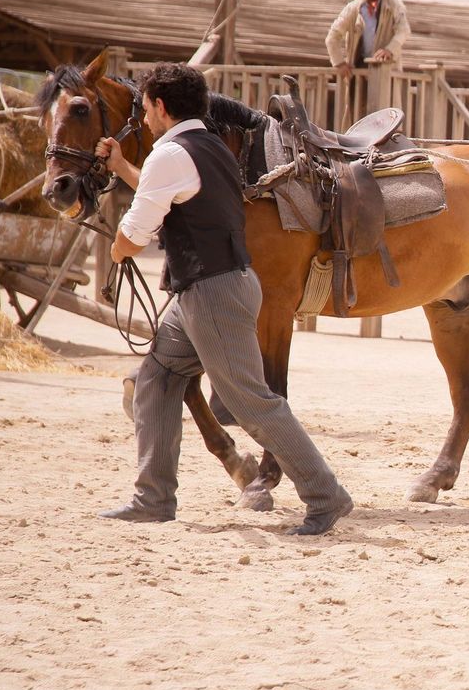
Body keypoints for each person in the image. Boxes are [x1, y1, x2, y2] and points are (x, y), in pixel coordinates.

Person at [95, 63, 353, 535]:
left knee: (252, 403)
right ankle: (152, 497)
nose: (144, 115)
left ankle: (326, 494)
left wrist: (118, 247)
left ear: (160, 106)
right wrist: (122, 167)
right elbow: (169, 191)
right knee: (157, 377)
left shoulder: (169, 153)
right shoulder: (209, 146)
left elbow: (134, 234)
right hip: (211, 289)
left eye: (147, 105)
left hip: (209, 293)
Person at [325, 0, 411, 78]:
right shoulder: (353, 8)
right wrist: (339, 62)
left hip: (385, 70)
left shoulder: (394, 5)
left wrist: (390, 49)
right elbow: (332, 36)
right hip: (358, 71)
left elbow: (404, 31)